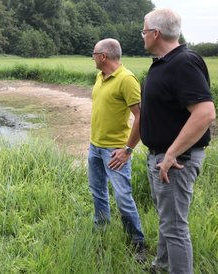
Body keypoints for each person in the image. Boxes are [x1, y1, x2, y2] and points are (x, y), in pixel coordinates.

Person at [140, 8, 216, 274]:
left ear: (156, 33)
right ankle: (161, 266)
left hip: (175, 161)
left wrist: (171, 154)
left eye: (144, 31)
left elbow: (205, 113)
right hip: (162, 156)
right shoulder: (166, 62)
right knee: (167, 220)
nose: (142, 36)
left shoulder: (184, 62)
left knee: (175, 228)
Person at [88, 38, 146, 262]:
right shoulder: (100, 76)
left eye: (94, 54)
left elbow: (141, 117)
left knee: (122, 196)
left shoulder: (127, 79)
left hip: (115, 151)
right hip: (94, 147)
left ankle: (137, 243)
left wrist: (127, 150)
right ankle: (101, 234)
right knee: (98, 192)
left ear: (103, 56)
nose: (92, 57)